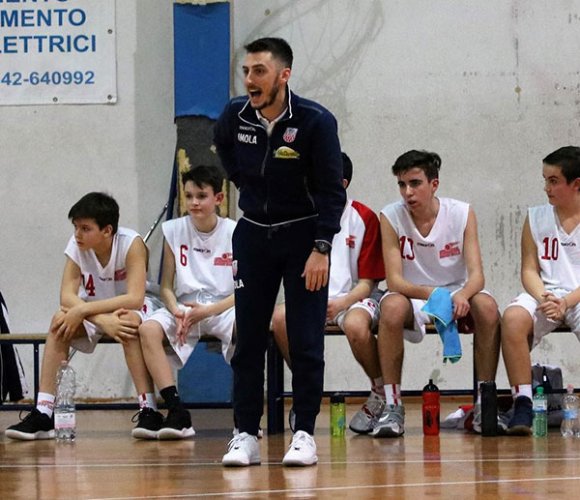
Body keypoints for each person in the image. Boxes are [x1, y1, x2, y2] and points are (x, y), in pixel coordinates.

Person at [213, 37, 345, 466]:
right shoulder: (235, 114)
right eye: (246, 71)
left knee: (305, 340)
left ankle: (304, 432)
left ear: (284, 75)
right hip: (252, 236)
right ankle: (245, 433)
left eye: (259, 72)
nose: (250, 80)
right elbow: (225, 149)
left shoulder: (314, 122)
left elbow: (331, 191)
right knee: (247, 339)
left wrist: (321, 246)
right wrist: (245, 183)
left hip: (303, 239)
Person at [5, 192, 157, 440]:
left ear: (107, 230)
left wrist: (88, 311)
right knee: (59, 322)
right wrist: (99, 318)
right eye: (76, 227)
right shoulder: (76, 246)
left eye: (85, 228)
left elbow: (135, 298)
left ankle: (148, 408)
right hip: (96, 311)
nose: (77, 234)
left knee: (126, 322)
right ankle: (44, 412)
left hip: (134, 308)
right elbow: (66, 296)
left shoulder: (132, 244)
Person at [371, 150, 501, 438]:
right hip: (413, 293)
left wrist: (462, 295)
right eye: (402, 185)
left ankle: (484, 402)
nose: (407, 192)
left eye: (415, 183)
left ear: (434, 184)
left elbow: (477, 276)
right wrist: (436, 294)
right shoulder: (390, 216)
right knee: (390, 307)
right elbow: (394, 281)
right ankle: (393, 407)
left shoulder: (461, 213)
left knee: (488, 308)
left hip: (458, 289)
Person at [271, 152, 385, 434]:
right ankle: (304, 392)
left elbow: (368, 281)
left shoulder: (364, 216)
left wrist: (340, 303)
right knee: (280, 319)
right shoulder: (299, 216)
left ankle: (381, 392)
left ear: (341, 183)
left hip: (355, 298)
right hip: (311, 296)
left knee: (357, 326)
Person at [138, 165, 236, 440]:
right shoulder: (173, 230)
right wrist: (177, 311)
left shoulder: (235, 232)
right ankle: (177, 411)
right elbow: (167, 286)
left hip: (223, 306)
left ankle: (246, 415)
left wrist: (209, 310)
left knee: (250, 326)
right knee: (147, 329)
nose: (193, 202)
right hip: (184, 306)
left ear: (218, 198)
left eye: (201, 196)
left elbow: (244, 289)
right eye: (188, 195)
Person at [501, 146, 580, 435]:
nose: (546, 188)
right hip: (546, 294)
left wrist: (567, 301)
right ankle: (522, 401)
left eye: (553, 181)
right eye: (544, 180)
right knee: (512, 318)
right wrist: (543, 297)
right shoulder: (535, 217)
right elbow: (529, 269)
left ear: (577, 184)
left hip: (577, 296)